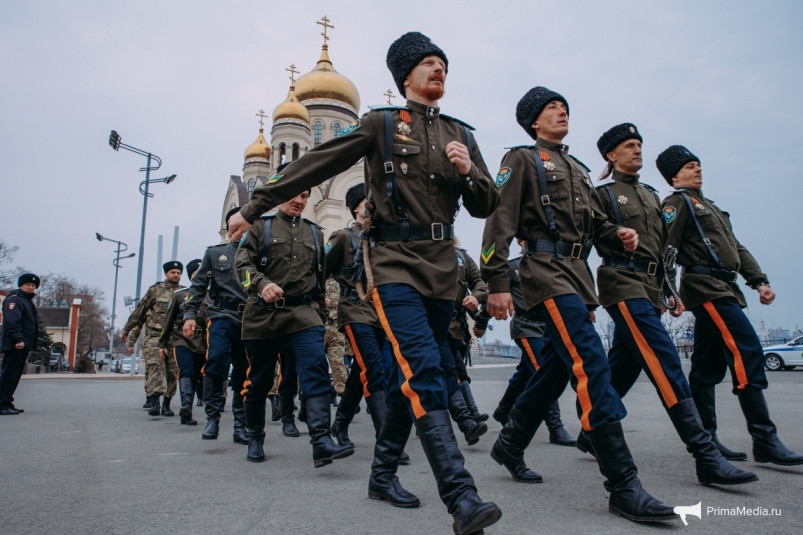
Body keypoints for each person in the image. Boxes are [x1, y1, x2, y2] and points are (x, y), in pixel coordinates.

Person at [228, 31, 502, 535]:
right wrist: (254, 205)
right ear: (405, 76)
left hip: (441, 268)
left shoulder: (461, 134)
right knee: (424, 369)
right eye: (428, 63)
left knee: (406, 377)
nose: (439, 70)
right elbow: (318, 162)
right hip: (394, 264)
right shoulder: (379, 123)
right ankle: (461, 497)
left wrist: (469, 173)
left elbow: (487, 204)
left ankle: (380, 475)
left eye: (443, 63)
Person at [481, 86, 674, 522]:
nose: (561, 112)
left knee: (555, 366)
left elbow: (594, 221)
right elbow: (499, 221)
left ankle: (510, 443)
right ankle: (623, 485)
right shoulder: (522, 159)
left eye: (565, 107)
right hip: (544, 272)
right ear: (534, 121)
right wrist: (496, 281)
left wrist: (616, 234)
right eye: (552, 108)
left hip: (577, 274)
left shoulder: (578, 168)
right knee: (591, 362)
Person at [588, 124, 756, 486]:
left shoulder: (651, 196)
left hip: (648, 287)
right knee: (665, 362)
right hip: (621, 282)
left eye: (639, 144)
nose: (637, 150)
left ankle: (590, 429)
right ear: (610, 155)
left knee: (625, 364)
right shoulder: (601, 194)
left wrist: (668, 292)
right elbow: (589, 237)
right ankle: (704, 454)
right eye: (628, 146)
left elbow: (665, 252)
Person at [659, 144, 803, 466]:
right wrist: (668, 292)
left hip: (726, 286)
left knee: (706, 367)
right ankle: (764, 438)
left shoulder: (711, 207)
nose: (698, 169)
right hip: (705, 288)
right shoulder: (676, 204)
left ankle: (707, 439)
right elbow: (666, 249)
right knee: (746, 348)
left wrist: (759, 281)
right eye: (689, 166)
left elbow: (737, 247)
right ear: (674, 176)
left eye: (698, 164)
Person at [235, 190, 354, 467]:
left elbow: (320, 277)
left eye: (304, 196)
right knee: (260, 381)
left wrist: (321, 316)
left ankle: (321, 440)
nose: (298, 200)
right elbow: (242, 266)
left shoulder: (315, 233)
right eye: (294, 194)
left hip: (303, 314)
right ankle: (255, 436)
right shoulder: (259, 227)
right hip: (263, 316)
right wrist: (261, 285)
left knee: (314, 371)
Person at [325, 182, 410, 470]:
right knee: (374, 370)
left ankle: (339, 424)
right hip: (354, 310)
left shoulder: (381, 239)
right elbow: (320, 270)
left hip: (380, 314)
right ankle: (388, 440)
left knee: (369, 370)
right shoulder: (343, 238)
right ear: (356, 208)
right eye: (366, 202)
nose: (371, 206)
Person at [485, 239, 575, 447]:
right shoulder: (512, 266)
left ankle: (504, 410)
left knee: (525, 373)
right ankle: (556, 428)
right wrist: (482, 319)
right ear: (521, 242)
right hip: (527, 326)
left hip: (548, 326)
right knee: (544, 372)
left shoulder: (551, 263)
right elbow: (494, 292)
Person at [183, 208, 249, 444]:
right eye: (234, 224)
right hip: (222, 314)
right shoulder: (215, 253)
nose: (239, 228)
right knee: (217, 359)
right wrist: (190, 315)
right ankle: (213, 418)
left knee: (244, 370)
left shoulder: (260, 253)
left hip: (250, 320)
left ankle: (240, 425)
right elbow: (197, 287)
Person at [438, 239, 488, 445]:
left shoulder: (463, 257)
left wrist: (476, 297)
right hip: (433, 324)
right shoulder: (423, 248)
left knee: (454, 373)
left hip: (457, 328)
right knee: (449, 372)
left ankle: (429, 420)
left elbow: (481, 284)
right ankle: (466, 421)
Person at [121, 262, 182, 417]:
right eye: (172, 272)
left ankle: (167, 404)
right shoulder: (155, 291)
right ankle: (154, 402)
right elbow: (139, 312)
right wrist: (126, 330)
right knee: (155, 367)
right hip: (156, 335)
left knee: (172, 371)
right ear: (166, 274)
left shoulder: (184, 293)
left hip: (175, 338)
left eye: (178, 273)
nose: (176, 275)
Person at [159, 258, 206, 426]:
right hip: (183, 340)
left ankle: (191, 411)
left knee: (197, 376)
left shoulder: (214, 295)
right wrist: (163, 344)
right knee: (186, 371)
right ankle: (186, 406)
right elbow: (168, 321)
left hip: (204, 343)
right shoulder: (180, 295)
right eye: (195, 274)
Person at [0, 273, 40, 415]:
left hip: (23, 343)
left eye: (33, 286)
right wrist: (18, 339)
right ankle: (1, 404)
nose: (30, 287)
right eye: (28, 285)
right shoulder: (14, 300)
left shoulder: (26, 301)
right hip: (15, 344)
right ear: (20, 285)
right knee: (9, 374)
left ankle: (7, 402)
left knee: (15, 374)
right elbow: (11, 322)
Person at [324, 277, 348, 406]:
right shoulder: (315, 275)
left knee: (338, 362)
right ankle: (308, 399)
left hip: (335, 326)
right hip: (318, 323)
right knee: (315, 363)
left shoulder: (339, 278)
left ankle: (343, 396)